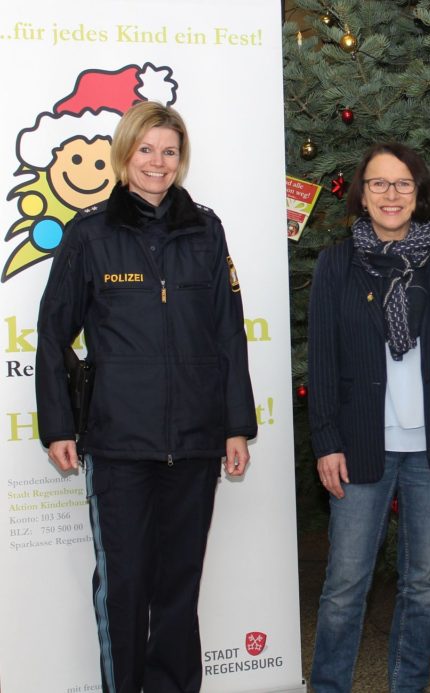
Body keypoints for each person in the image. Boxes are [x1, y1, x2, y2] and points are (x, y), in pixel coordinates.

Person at [35, 100, 257, 693]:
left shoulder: (206, 230)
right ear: (125, 154)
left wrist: (236, 426)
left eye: (170, 151)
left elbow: (228, 333)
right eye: (147, 149)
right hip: (118, 445)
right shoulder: (90, 234)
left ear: (181, 160)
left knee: (180, 586)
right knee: (126, 586)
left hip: (195, 442)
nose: (158, 162)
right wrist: (59, 426)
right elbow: (55, 334)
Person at [307, 142, 430, 693]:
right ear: (361, 194)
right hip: (360, 444)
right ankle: (330, 686)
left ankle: (408, 685)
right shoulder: (337, 263)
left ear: (420, 192)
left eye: (403, 184)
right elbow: (321, 357)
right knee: (344, 585)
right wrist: (325, 440)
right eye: (379, 184)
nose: (391, 194)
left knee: (422, 584)